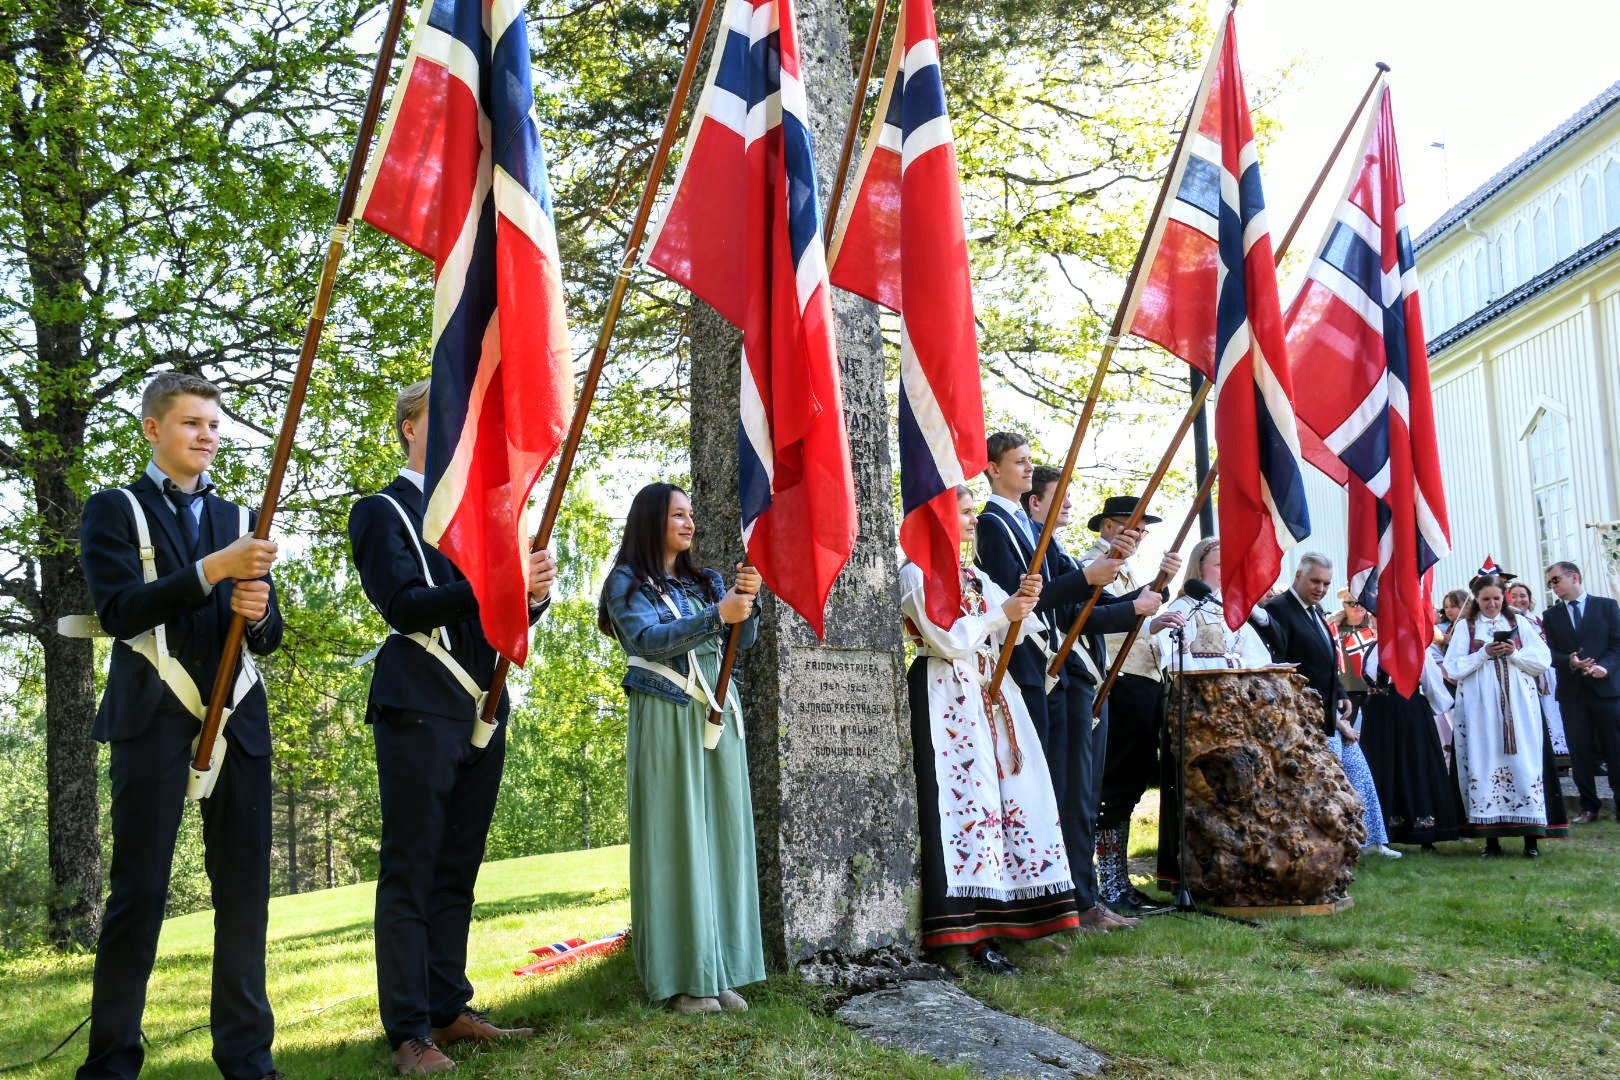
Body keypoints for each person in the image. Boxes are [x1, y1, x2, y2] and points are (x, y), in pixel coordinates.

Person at [76, 373, 283, 1080]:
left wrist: (257, 609)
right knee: (138, 894)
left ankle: (248, 1060)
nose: (207, 436)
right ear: (152, 430)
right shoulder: (114, 509)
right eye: (192, 423)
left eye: (215, 426)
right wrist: (210, 571)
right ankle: (110, 1064)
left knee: (245, 893)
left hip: (239, 716)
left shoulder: (239, 515)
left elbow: (270, 633)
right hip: (151, 717)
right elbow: (119, 611)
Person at [349, 381, 552, 1074]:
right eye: (447, 416)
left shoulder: (478, 512)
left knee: (458, 868)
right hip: (416, 703)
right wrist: (499, 586)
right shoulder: (380, 511)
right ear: (409, 427)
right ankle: (407, 1031)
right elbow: (404, 606)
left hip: (481, 704)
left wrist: (531, 598)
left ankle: (447, 1007)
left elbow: (495, 620)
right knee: (411, 869)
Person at [976, 436, 1160, 933]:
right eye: (1021, 463)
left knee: (1079, 792)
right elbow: (1033, 598)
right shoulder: (993, 524)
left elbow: (1072, 590)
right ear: (993, 469)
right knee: (1055, 792)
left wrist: (1107, 571)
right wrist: (1094, 579)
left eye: (1032, 462)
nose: (1029, 470)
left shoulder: (1028, 527)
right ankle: (1061, 905)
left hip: (1062, 672)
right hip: (1036, 667)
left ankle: (1079, 900)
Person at [597, 482, 765, 1013]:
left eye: (691, 514)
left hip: (717, 707)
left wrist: (746, 604)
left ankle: (720, 970)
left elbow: (743, 640)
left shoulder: (705, 580)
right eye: (678, 515)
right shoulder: (626, 583)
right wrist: (719, 615)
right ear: (652, 521)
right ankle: (684, 978)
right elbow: (645, 641)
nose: (689, 523)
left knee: (722, 836)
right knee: (678, 839)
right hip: (668, 711)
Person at [903, 486, 1079, 973]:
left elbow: (1015, 626)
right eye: (962, 512)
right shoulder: (918, 573)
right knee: (968, 802)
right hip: (947, 692)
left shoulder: (973, 574)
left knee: (1012, 796)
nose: (972, 520)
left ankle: (1017, 915)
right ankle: (967, 927)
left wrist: (1023, 602)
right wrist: (1002, 615)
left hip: (989, 690)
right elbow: (946, 636)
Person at [1072, 492, 1183, 916]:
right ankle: (1106, 881)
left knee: (1131, 782)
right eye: (1129, 526)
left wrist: (1153, 616)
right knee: (1113, 782)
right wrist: (1151, 589)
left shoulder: (1123, 567)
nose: (1137, 535)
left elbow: (1128, 622)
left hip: (1141, 677)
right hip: (1117, 681)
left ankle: (1118, 878)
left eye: (1142, 530)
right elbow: (1100, 618)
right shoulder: (1093, 565)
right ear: (1108, 527)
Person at [1150, 538, 1275, 888]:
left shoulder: (1230, 610)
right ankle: (1194, 871)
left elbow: (1255, 656)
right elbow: (1173, 663)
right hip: (1200, 711)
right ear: (1199, 568)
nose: (1226, 572)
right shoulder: (1182, 610)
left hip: (1237, 710)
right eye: (1220, 565)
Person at [1443, 575, 1565, 856]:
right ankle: (1491, 840)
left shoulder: (1519, 623)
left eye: (1496, 598)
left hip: (1519, 707)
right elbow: (1453, 667)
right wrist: (1483, 653)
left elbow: (1542, 660)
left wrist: (1515, 654)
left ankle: (1530, 838)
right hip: (1480, 709)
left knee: (1524, 763)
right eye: (1486, 599)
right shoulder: (1466, 627)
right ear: (1477, 600)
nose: (1492, 604)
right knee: (1484, 762)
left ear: (1503, 598)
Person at [1359, 642, 1459, 850]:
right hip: (1378, 716)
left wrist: (1422, 709)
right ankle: (1383, 831)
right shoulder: (1371, 649)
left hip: (1407, 713)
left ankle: (1424, 830)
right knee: (1381, 770)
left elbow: (1431, 683)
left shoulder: (1415, 648)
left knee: (1415, 766)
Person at [1542, 560, 1620, 823]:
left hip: (1606, 690)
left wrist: (1605, 668)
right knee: (1580, 751)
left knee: (1615, 747)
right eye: (1549, 583)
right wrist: (1569, 661)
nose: (1553, 587)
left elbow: (1617, 644)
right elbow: (1550, 653)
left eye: (1555, 580)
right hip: (1573, 694)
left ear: (1574, 577)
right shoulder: (1551, 616)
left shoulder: (1607, 606)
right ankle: (1588, 807)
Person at [1256, 552, 1352, 736]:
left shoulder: (1315, 609)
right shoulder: (1278, 608)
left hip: (1329, 716)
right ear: (1298, 576)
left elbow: (1323, 657)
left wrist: (1339, 692)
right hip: (1302, 721)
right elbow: (1280, 665)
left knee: (1357, 766)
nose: (1321, 589)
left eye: (1326, 584)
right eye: (1315, 581)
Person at [1507, 580, 1568, 771]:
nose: (1519, 600)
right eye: (1514, 596)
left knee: (1552, 713)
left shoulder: (1538, 620)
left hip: (1546, 675)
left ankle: (1561, 759)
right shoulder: (1509, 621)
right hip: (1523, 672)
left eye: (1523, 596)